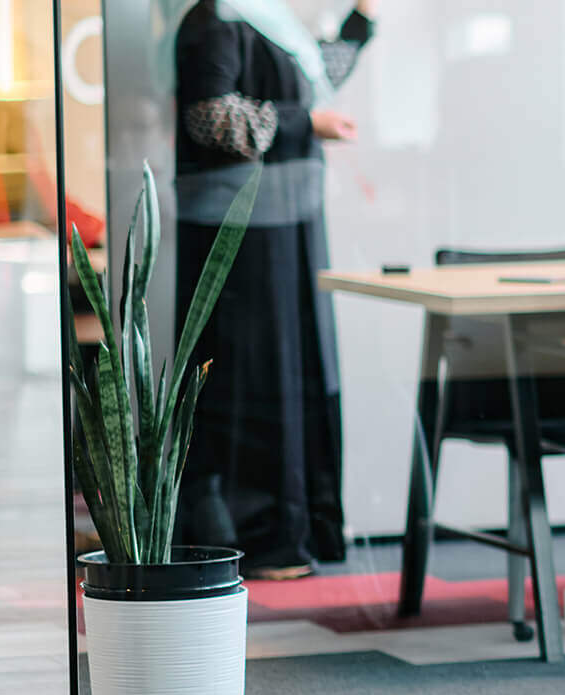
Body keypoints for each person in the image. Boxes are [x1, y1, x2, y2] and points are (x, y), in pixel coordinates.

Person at [170, 0, 375, 579]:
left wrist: (361, 23)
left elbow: (311, 74)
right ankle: (258, 536)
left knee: (295, 372)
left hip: (282, 225)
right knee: (257, 376)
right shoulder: (216, 20)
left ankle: (297, 530)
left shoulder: (261, 20)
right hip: (242, 237)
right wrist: (306, 124)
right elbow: (210, 116)